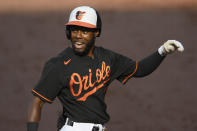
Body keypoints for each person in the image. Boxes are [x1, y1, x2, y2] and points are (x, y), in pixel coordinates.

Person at [27, 6, 184, 131]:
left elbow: (139, 69)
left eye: (85, 30)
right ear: (68, 32)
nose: (78, 36)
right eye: (74, 30)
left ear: (96, 33)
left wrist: (162, 51)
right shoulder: (58, 65)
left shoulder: (108, 58)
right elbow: (37, 102)